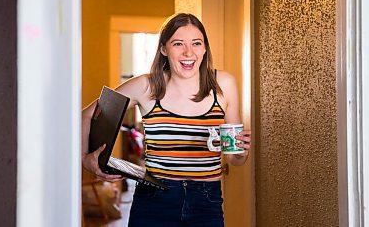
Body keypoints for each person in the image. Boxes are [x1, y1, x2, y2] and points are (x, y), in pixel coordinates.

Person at [82, 13, 252, 227]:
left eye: (196, 43)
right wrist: (84, 158)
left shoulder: (224, 84)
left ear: (205, 48)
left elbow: (235, 158)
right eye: (178, 44)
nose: (188, 52)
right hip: (154, 201)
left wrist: (241, 153)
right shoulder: (146, 86)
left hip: (206, 201)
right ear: (164, 49)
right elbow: (86, 115)